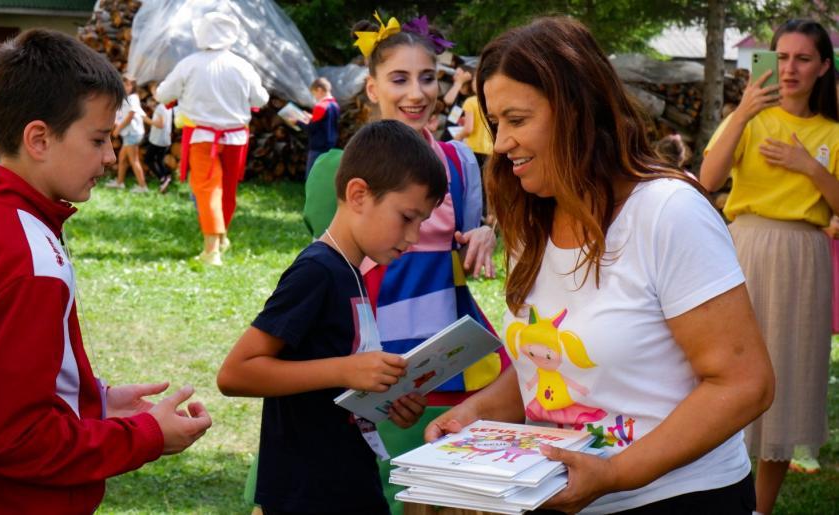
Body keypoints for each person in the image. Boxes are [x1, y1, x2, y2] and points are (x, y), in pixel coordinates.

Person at [424, 17, 774, 515]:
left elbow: (744, 384)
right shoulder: (531, 219)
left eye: (517, 121)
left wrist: (616, 474)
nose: (501, 144)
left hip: (678, 499)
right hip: (558, 497)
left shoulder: (668, 214)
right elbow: (553, 367)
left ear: (576, 111)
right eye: (496, 124)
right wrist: (477, 413)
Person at [0, 29, 212, 512]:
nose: (107, 157)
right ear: (39, 138)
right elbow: (13, 438)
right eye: (98, 139)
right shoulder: (26, 260)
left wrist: (93, 401)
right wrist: (144, 435)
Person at [303, 12, 504, 513]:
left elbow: (471, 240)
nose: (417, 92)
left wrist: (487, 232)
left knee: (449, 494)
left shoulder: (459, 162)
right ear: (371, 88)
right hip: (374, 354)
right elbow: (328, 269)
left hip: (450, 354)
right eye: (399, 78)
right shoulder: (337, 169)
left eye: (429, 76)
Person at [217, 120, 446, 515]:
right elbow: (236, 373)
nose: (413, 236)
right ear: (358, 194)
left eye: (422, 223)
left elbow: (334, 383)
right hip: (305, 493)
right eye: (407, 217)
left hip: (350, 483)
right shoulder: (317, 272)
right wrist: (346, 370)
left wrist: (387, 400)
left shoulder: (352, 273)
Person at [700, 18, 839, 515]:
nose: (789, 68)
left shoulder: (832, 132)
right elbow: (708, 178)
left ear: (824, 67)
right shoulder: (750, 118)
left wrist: (810, 167)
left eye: (803, 59)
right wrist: (740, 114)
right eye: (781, 57)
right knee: (723, 364)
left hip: (803, 255)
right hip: (742, 246)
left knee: (788, 372)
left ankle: (760, 509)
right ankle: (714, 485)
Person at [156, 11, 269, 265]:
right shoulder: (242, 65)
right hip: (237, 138)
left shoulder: (189, 64)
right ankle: (222, 237)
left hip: (201, 137)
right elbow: (261, 99)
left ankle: (212, 250)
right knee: (227, 190)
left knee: (207, 190)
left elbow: (164, 95)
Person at [106, 75, 148, 193]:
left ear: (133, 86)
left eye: (128, 84)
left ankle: (143, 187)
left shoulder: (133, 98)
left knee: (134, 160)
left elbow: (131, 115)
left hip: (132, 133)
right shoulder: (126, 97)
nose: (126, 86)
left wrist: (118, 128)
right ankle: (120, 183)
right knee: (122, 158)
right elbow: (121, 114)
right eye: (124, 84)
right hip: (129, 133)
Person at [302, 77, 340, 176]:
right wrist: (312, 117)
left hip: (318, 147)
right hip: (330, 145)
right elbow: (324, 122)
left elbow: (312, 128)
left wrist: (297, 122)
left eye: (314, 94)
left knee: (311, 176)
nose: (315, 97)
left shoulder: (320, 106)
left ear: (319, 90)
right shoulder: (335, 105)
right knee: (324, 175)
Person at [142, 81, 174, 194]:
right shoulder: (167, 105)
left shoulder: (161, 107)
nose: (153, 95)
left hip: (158, 140)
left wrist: (145, 119)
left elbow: (160, 124)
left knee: (148, 159)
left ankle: (162, 178)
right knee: (159, 160)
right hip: (165, 139)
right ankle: (166, 177)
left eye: (155, 92)